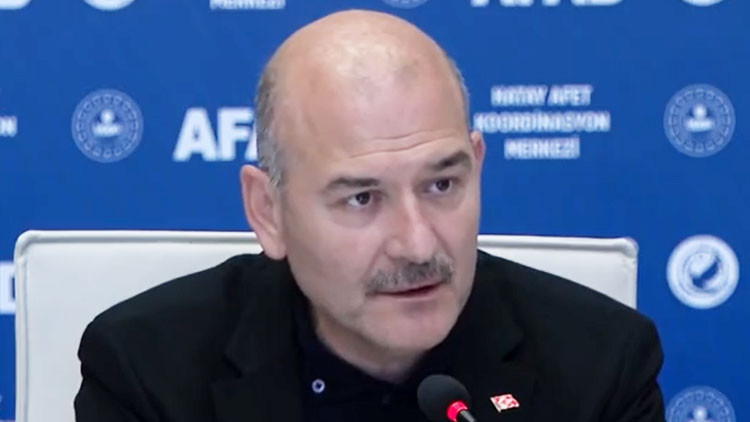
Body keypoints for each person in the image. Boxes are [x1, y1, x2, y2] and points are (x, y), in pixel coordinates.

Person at [74, 9, 664, 422]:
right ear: (268, 212)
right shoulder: (146, 372)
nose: (417, 244)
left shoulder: (601, 367)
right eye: (362, 198)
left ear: (478, 167)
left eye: (442, 184)